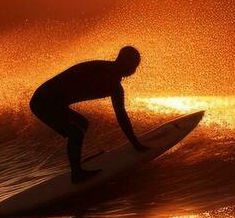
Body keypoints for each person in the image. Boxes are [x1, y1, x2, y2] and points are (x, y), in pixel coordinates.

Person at [29, 45, 149, 182]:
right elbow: (121, 117)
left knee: (82, 123)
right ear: (124, 62)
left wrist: (136, 144)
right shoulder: (103, 72)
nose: (134, 70)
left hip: (53, 101)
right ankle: (77, 174)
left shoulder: (115, 85)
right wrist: (137, 145)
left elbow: (121, 115)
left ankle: (79, 164)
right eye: (134, 65)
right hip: (43, 101)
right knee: (76, 132)